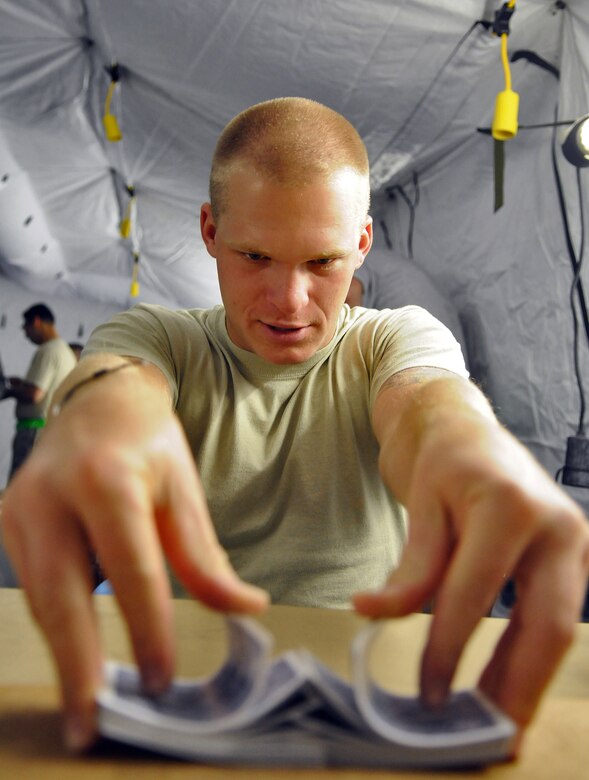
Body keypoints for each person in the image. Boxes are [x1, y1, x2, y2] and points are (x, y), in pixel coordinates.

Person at [2, 98, 588, 755]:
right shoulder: (157, 335)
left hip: (369, 696)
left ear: (362, 243)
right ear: (208, 230)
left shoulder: (393, 338)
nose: (289, 301)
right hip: (185, 694)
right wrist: (103, 420)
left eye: (322, 263)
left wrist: (471, 451)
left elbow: (427, 402)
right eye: (254, 256)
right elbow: (122, 377)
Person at [346, 253, 469, 362]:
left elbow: (349, 293)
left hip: (421, 353)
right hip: (450, 359)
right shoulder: (381, 261)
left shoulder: (353, 262)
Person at [1, 303, 77, 480]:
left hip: (33, 434)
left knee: (19, 491)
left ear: (36, 322)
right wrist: (21, 383)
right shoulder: (65, 352)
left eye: (25, 327)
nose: (25, 334)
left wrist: (9, 390)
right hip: (48, 432)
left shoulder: (48, 351)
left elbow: (34, 394)